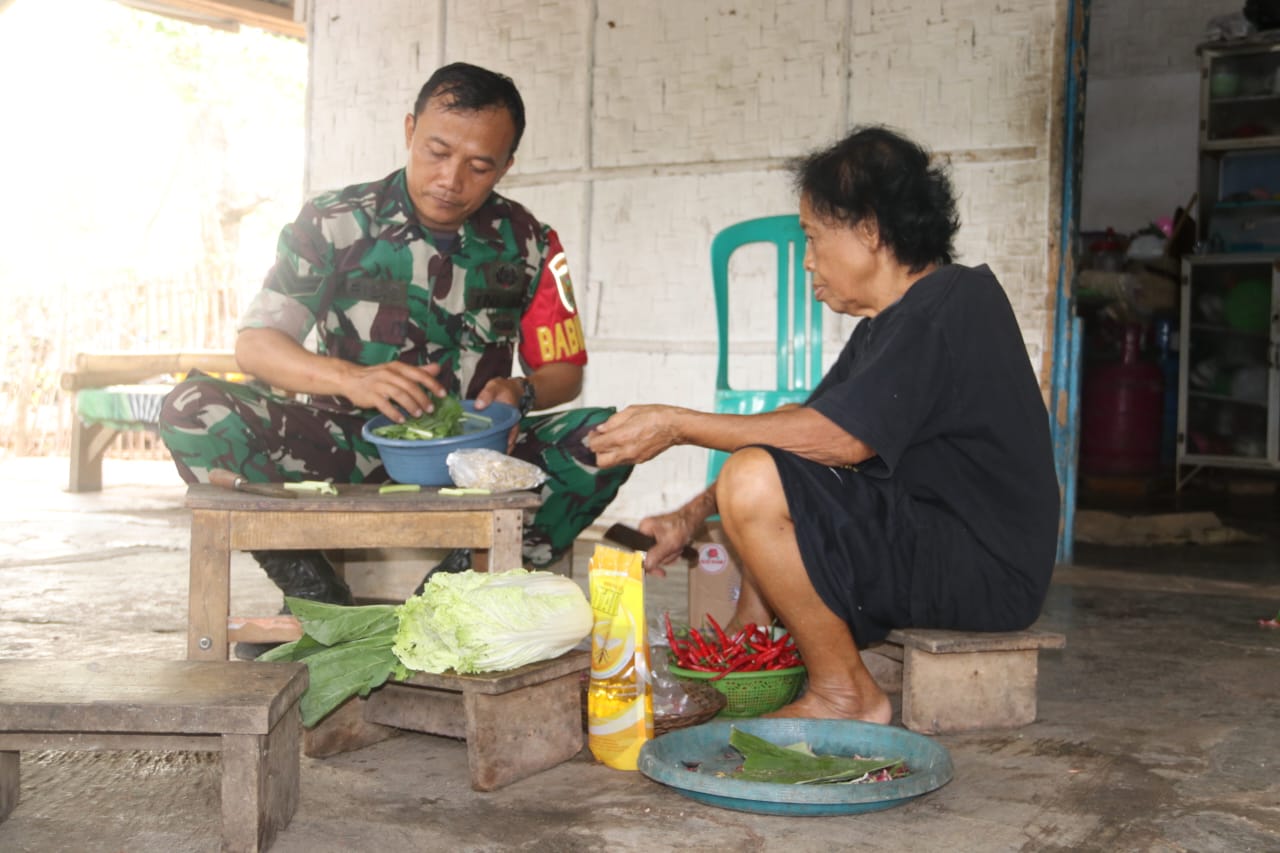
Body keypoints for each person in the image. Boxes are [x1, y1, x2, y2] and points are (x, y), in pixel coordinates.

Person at [589, 126, 1060, 724]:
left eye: (812, 236)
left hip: (984, 569)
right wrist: (688, 517)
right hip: (932, 541)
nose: (807, 258)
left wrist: (678, 425)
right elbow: (793, 431)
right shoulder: (888, 325)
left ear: (869, 229)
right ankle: (752, 633)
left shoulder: (950, 306)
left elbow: (839, 441)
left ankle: (846, 693)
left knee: (757, 478)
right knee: (763, 460)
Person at [159, 63, 631, 657]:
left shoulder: (530, 241)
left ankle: (442, 602)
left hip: (475, 460)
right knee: (189, 407)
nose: (451, 179)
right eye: (436, 151)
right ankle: (318, 599)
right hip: (344, 444)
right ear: (410, 130)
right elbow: (256, 345)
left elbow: (565, 371)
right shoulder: (332, 223)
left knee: (613, 437)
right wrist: (349, 379)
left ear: (507, 164)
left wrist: (521, 392)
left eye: (480, 165)